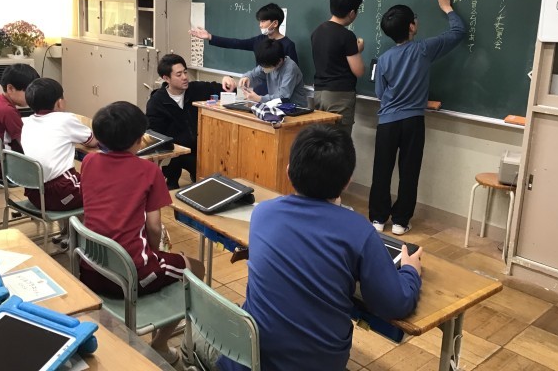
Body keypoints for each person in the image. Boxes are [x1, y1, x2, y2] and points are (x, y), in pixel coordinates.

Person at [181, 125, 423, 371]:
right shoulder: (359, 231)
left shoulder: (263, 213)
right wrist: (411, 271)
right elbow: (396, 304)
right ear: (347, 182)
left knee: (191, 340)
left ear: (288, 172)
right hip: (322, 365)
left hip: (251, 361)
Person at [80, 101, 205, 365]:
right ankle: (160, 344)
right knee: (196, 269)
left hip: (90, 268)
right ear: (139, 140)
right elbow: (155, 226)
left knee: (165, 264)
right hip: (130, 274)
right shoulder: (149, 171)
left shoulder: (88, 161)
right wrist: (155, 253)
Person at [369, 0, 466, 235]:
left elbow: (380, 93)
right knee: (409, 172)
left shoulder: (383, 59)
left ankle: (378, 219)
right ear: (412, 27)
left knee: (381, 171)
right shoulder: (423, 49)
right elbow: (458, 32)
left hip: (387, 122)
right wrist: (447, 9)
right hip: (413, 121)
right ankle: (400, 222)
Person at [146, 54, 237, 189]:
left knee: (209, 182)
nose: (184, 77)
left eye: (185, 72)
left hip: (199, 150)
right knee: (170, 186)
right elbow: (154, 135)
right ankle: (171, 179)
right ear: (166, 78)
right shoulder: (156, 102)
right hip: (174, 152)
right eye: (179, 74)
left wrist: (228, 80)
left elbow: (225, 90)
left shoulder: (196, 89)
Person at [21, 78, 98, 212]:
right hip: (62, 193)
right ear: (59, 103)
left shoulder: (26, 122)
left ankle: (73, 223)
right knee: (105, 186)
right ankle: (84, 225)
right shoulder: (65, 119)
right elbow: (92, 142)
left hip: (35, 195)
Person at [189, 3, 298, 95]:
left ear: (275, 23)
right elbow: (236, 43)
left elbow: (292, 75)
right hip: (259, 92)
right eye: (260, 21)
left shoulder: (288, 45)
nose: (260, 25)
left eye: (263, 21)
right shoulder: (259, 40)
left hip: (278, 94)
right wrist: (210, 37)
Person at [311, 0, 365, 136]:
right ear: (352, 13)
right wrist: (357, 50)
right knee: (338, 141)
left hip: (319, 93)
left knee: (322, 139)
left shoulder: (317, 31)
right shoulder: (346, 36)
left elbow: (332, 56)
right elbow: (359, 70)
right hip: (339, 96)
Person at [0, 64, 39, 179]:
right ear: (10, 88)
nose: (32, 96)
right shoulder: (7, 110)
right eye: (28, 91)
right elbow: (24, 143)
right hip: (1, 168)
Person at [238, 38, 307, 107]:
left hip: (295, 108)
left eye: (266, 66)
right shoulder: (269, 62)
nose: (263, 68)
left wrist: (259, 99)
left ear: (280, 61)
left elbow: (283, 96)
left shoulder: (290, 68)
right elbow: (254, 74)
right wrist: (247, 77)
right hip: (276, 106)